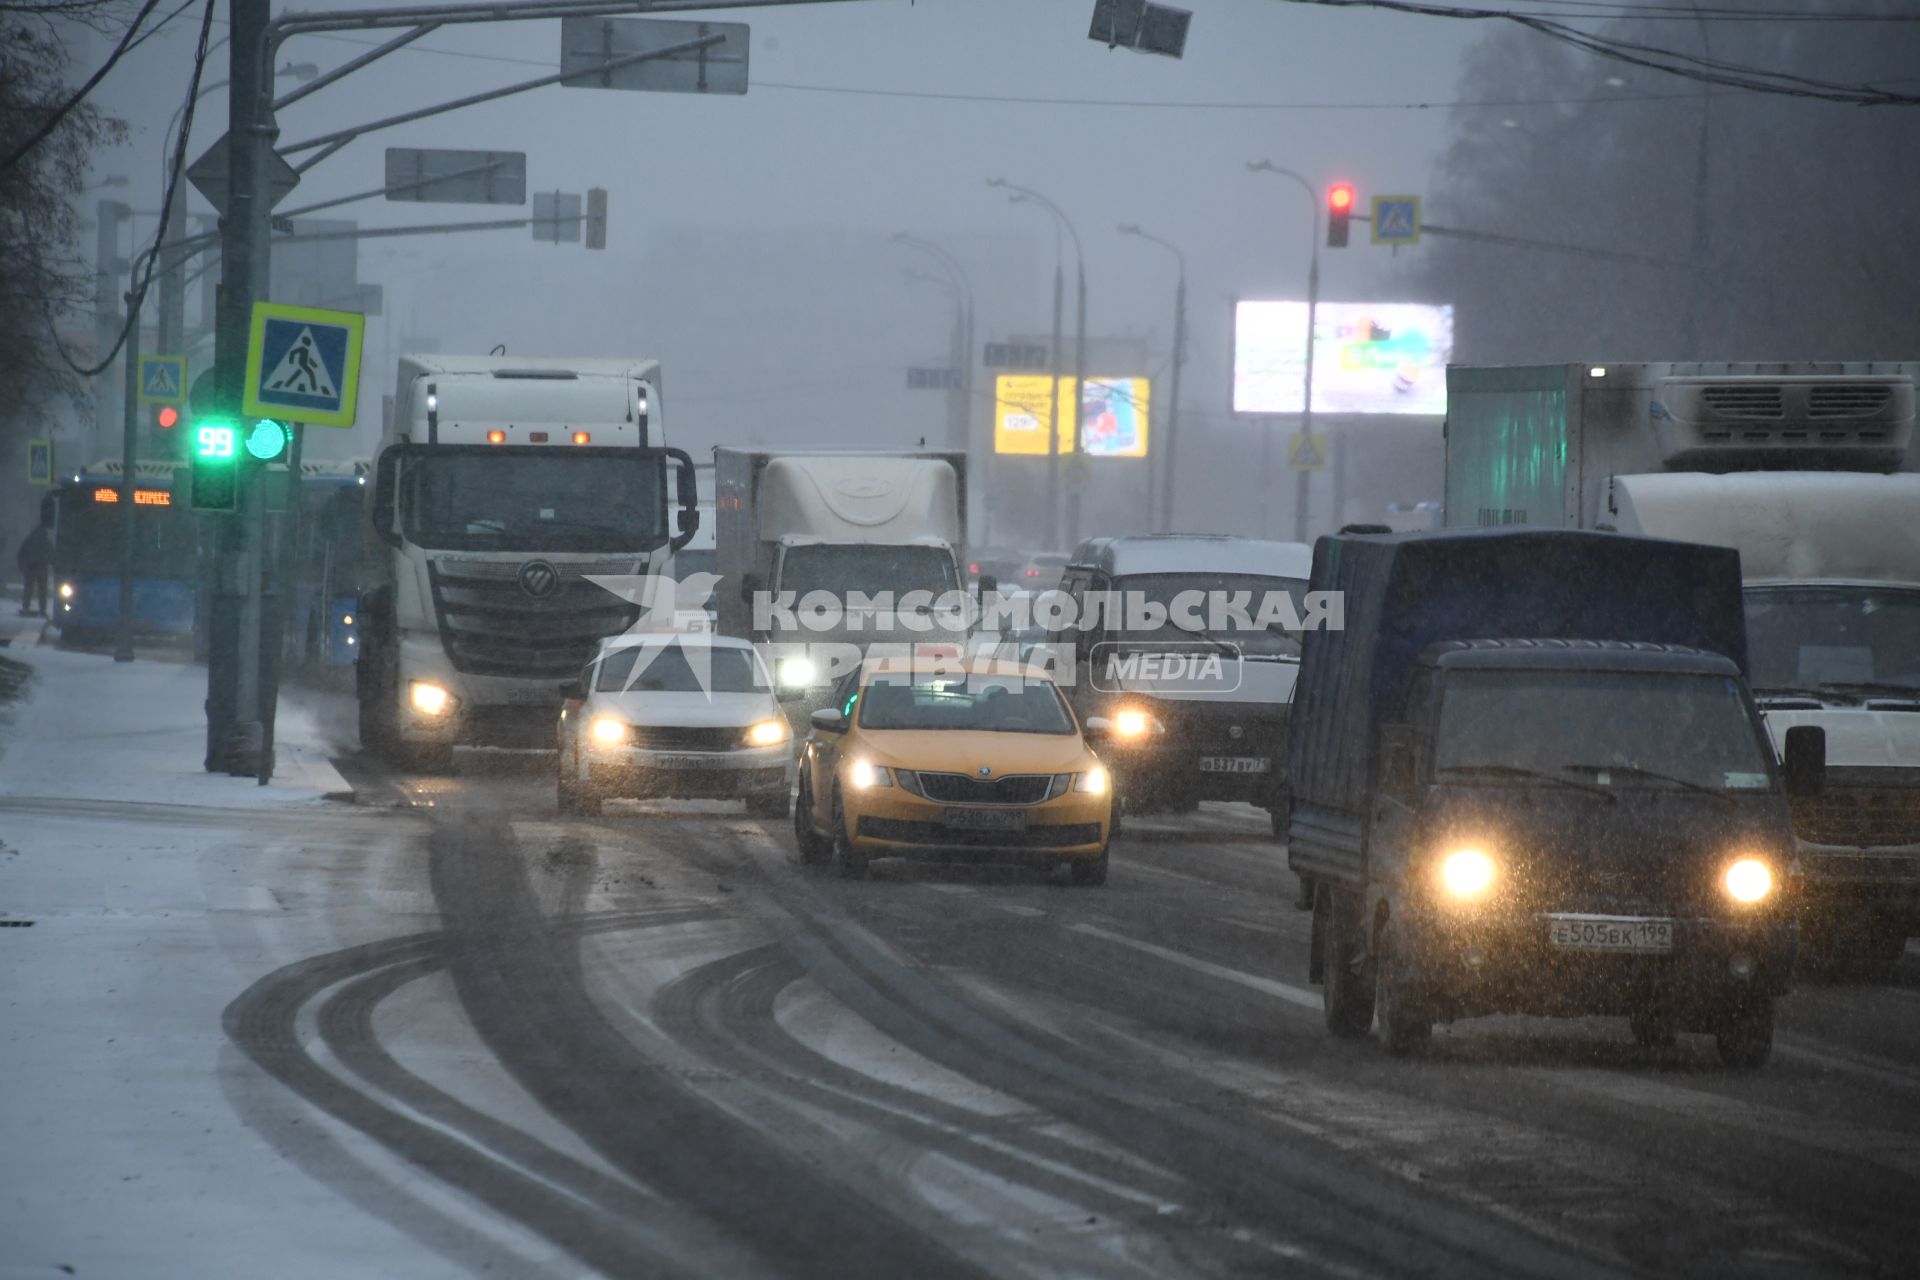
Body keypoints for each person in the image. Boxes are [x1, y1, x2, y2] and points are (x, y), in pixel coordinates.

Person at [16, 517, 52, 617]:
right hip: (42, 568)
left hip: (30, 567)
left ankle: (26, 608)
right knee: (42, 591)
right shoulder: (45, 540)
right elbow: (51, 554)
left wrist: (21, 565)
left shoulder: (30, 539)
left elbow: (21, 552)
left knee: (28, 589)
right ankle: (42, 610)